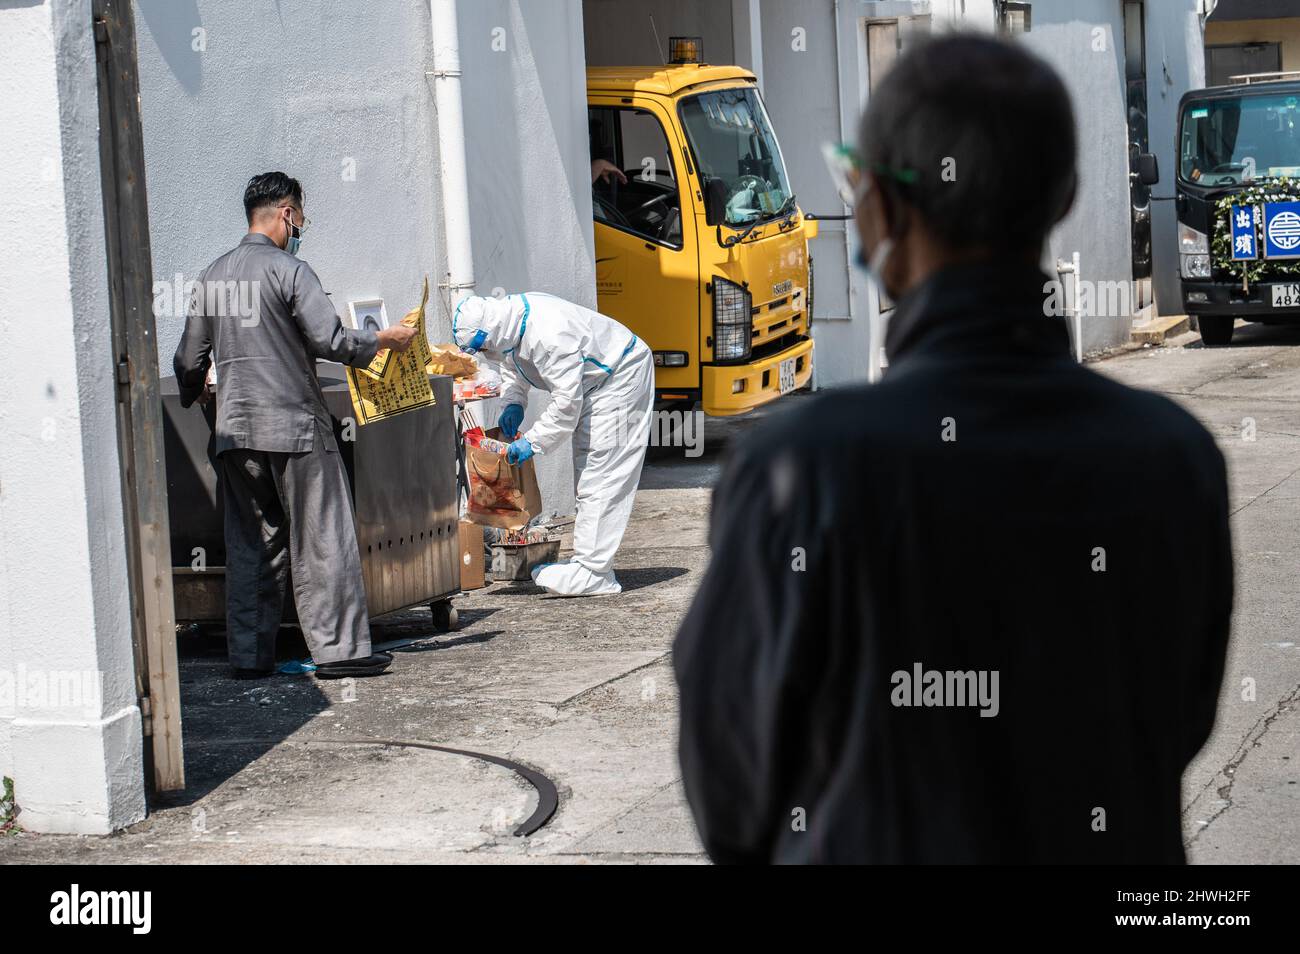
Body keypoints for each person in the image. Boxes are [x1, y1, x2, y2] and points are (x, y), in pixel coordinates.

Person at [673, 35, 1233, 863]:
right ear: (1066, 195)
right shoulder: (1173, 457)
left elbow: (732, 785)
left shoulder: (797, 467)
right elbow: (1176, 721)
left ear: (887, 212)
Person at [174, 172, 418, 679]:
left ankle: (249, 656)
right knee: (322, 536)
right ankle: (342, 652)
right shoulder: (291, 270)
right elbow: (329, 340)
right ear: (287, 214)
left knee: (250, 544)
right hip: (297, 429)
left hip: (234, 433)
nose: (302, 226)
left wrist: (195, 393)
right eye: (302, 217)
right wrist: (386, 340)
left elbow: (188, 358)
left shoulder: (210, 278)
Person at [452, 292, 654, 596]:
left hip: (620, 376)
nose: (483, 353)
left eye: (482, 347)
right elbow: (513, 366)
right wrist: (513, 402)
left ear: (491, 333)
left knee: (602, 468)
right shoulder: (512, 325)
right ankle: (589, 563)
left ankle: (594, 572)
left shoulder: (551, 335)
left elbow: (565, 405)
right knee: (588, 467)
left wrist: (532, 442)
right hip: (598, 382)